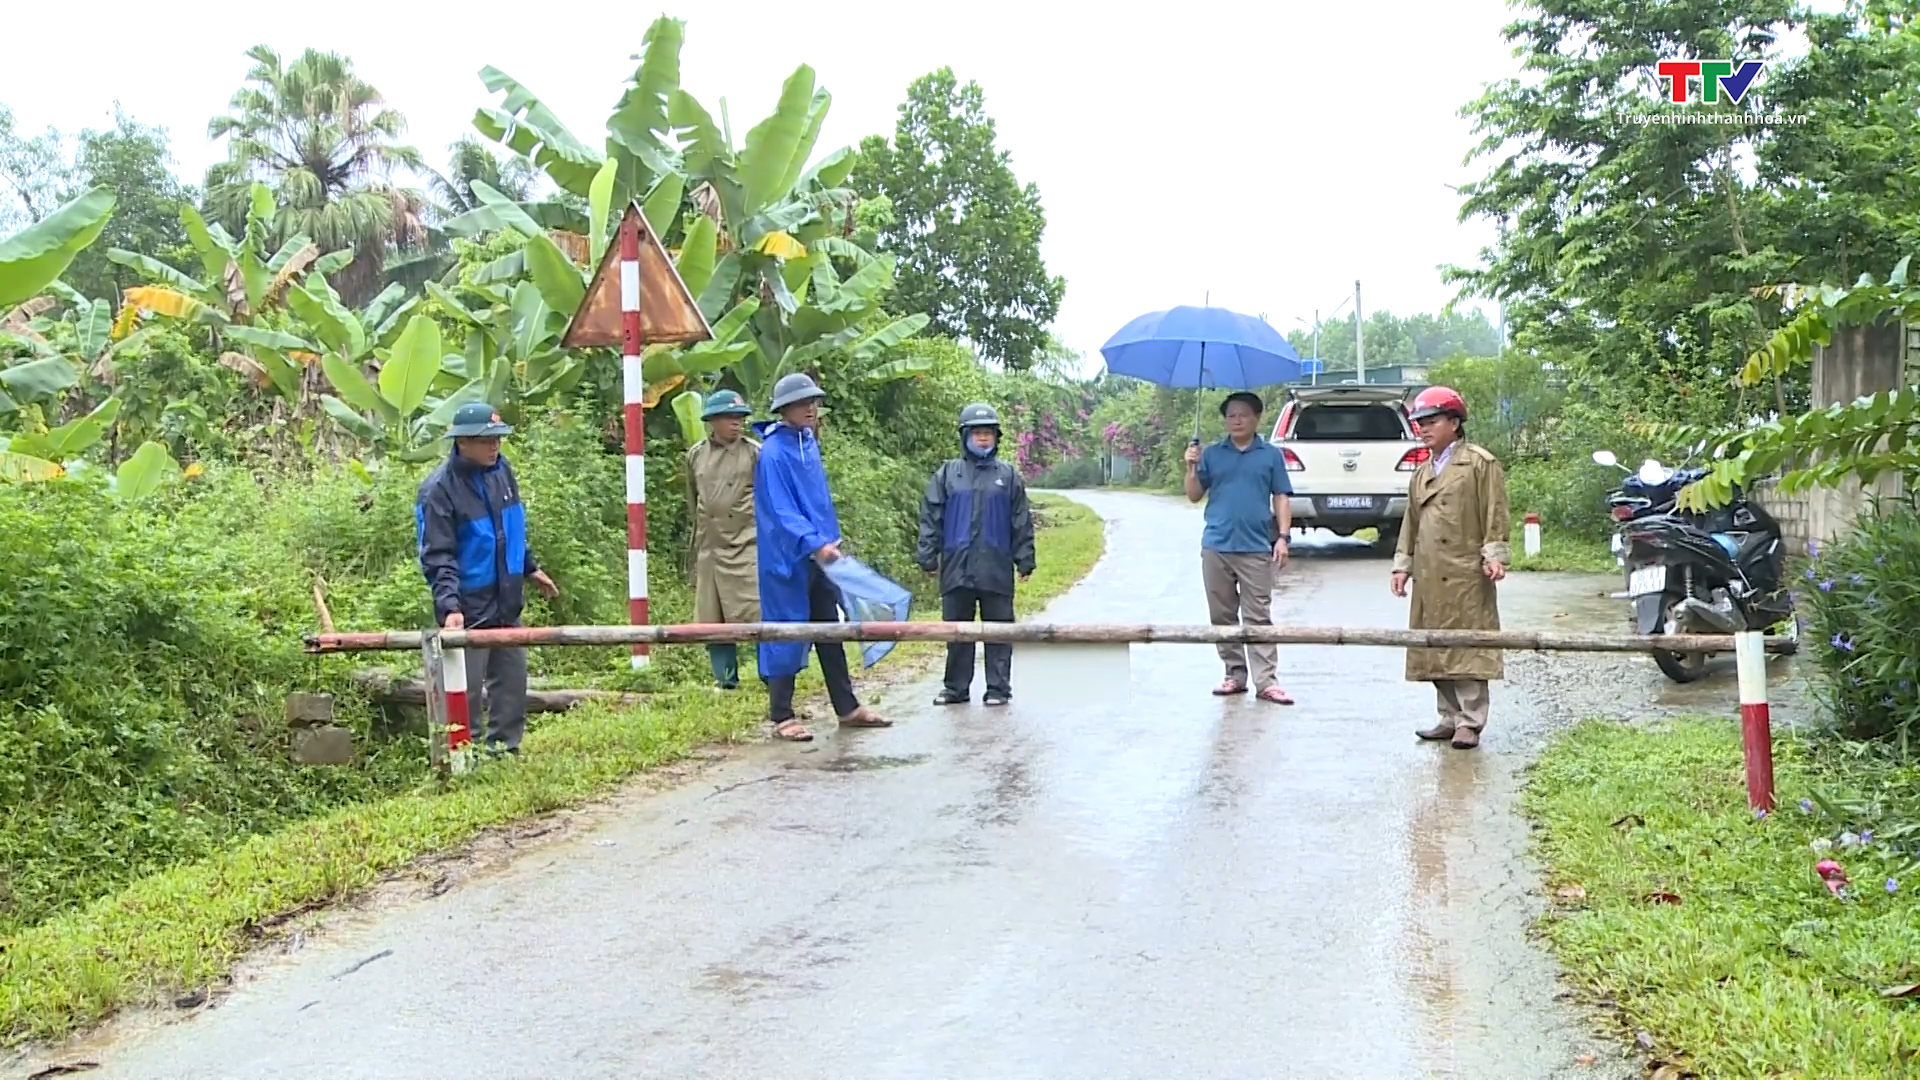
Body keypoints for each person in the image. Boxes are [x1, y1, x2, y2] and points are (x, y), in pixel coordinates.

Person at [753, 373, 892, 741]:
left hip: (819, 553)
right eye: (803, 403)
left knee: (828, 629)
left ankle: (847, 707)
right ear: (785, 409)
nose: (811, 408)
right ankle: (781, 715)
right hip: (787, 557)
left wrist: (829, 540)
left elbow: (818, 501)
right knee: (787, 630)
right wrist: (814, 542)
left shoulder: (808, 444)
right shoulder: (773, 453)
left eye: (813, 401)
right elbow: (782, 511)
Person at [416, 402, 560, 756]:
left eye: (498, 439)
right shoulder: (438, 490)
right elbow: (438, 556)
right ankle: (464, 757)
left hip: (506, 600)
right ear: (462, 442)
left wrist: (529, 567)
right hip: (469, 605)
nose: (494, 446)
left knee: (512, 681)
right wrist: (450, 606)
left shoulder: (502, 471)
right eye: (486, 440)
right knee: (464, 688)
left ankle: (504, 753)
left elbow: (510, 529)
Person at [1390, 385, 1511, 750]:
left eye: (1431, 421)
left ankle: (1471, 722)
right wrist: (1402, 566)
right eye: (1419, 422)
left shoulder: (1479, 463)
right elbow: (1410, 522)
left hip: (1464, 572)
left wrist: (1494, 555)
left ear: (1454, 423)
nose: (1423, 428)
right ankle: (1449, 716)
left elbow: (1495, 511)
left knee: (1468, 644)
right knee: (1433, 645)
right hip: (1429, 572)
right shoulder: (1422, 470)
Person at [917, 403, 1037, 707]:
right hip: (957, 567)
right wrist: (927, 556)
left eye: (988, 433)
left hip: (996, 566)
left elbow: (1020, 519)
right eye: (977, 433)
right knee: (957, 631)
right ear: (965, 436)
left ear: (996, 437)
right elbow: (932, 517)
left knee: (998, 631)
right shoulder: (948, 474)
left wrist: (1025, 558)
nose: (983, 439)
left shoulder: (1007, 476)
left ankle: (998, 689)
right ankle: (956, 688)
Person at [1183, 391, 1295, 705]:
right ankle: (1234, 674)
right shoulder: (1212, 454)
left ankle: (1266, 681)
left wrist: (1283, 537)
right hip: (1216, 545)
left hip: (1256, 546)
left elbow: (1282, 496)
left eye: (1243, 414)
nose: (1236, 420)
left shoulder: (1270, 455)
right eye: (1231, 415)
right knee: (1222, 615)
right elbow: (1193, 495)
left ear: (1256, 418)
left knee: (1258, 615)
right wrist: (1190, 467)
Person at [686, 389, 761, 690]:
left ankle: (772, 676)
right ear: (713, 420)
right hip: (711, 548)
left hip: (747, 543)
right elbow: (693, 500)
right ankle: (725, 680)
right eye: (730, 417)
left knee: (757, 612)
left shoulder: (755, 453)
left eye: (740, 417)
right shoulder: (695, 455)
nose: (736, 423)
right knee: (712, 617)